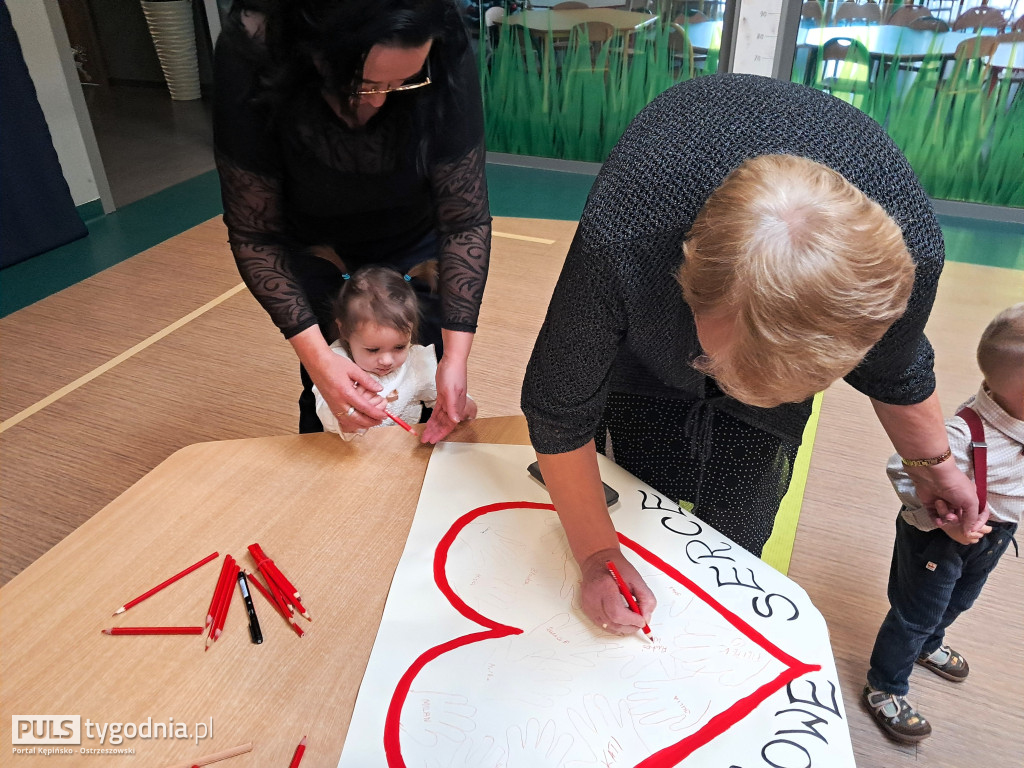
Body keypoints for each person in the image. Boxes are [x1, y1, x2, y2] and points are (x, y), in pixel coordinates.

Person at [520, 73, 981, 637]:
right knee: (642, 487)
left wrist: (935, 468)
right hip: (655, 299)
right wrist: (596, 555)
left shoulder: (908, 259)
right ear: (688, 284)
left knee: (744, 503)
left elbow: (896, 366)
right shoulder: (626, 234)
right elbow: (560, 403)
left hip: (768, 302)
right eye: (722, 365)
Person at [212, 0, 491, 445]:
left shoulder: (442, 34)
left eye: (404, 83)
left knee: (423, 356)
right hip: (317, 244)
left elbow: (464, 221)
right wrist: (321, 363)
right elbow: (255, 233)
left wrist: (455, 361)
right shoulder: (257, 43)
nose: (380, 101)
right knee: (332, 383)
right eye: (364, 83)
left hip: (415, 235)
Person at [862, 303, 1023, 744]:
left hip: (994, 533)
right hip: (938, 540)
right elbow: (901, 466)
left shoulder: (1018, 415)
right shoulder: (961, 434)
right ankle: (884, 686)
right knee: (914, 614)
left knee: (961, 600)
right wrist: (939, 515)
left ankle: (929, 644)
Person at [313, 265, 477, 440]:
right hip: (349, 455)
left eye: (399, 347)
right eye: (373, 350)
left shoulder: (416, 362)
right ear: (344, 330)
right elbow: (324, 411)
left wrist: (461, 403)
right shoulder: (336, 362)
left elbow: (439, 395)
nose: (386, 360)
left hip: (401, 449)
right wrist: (346, 414)